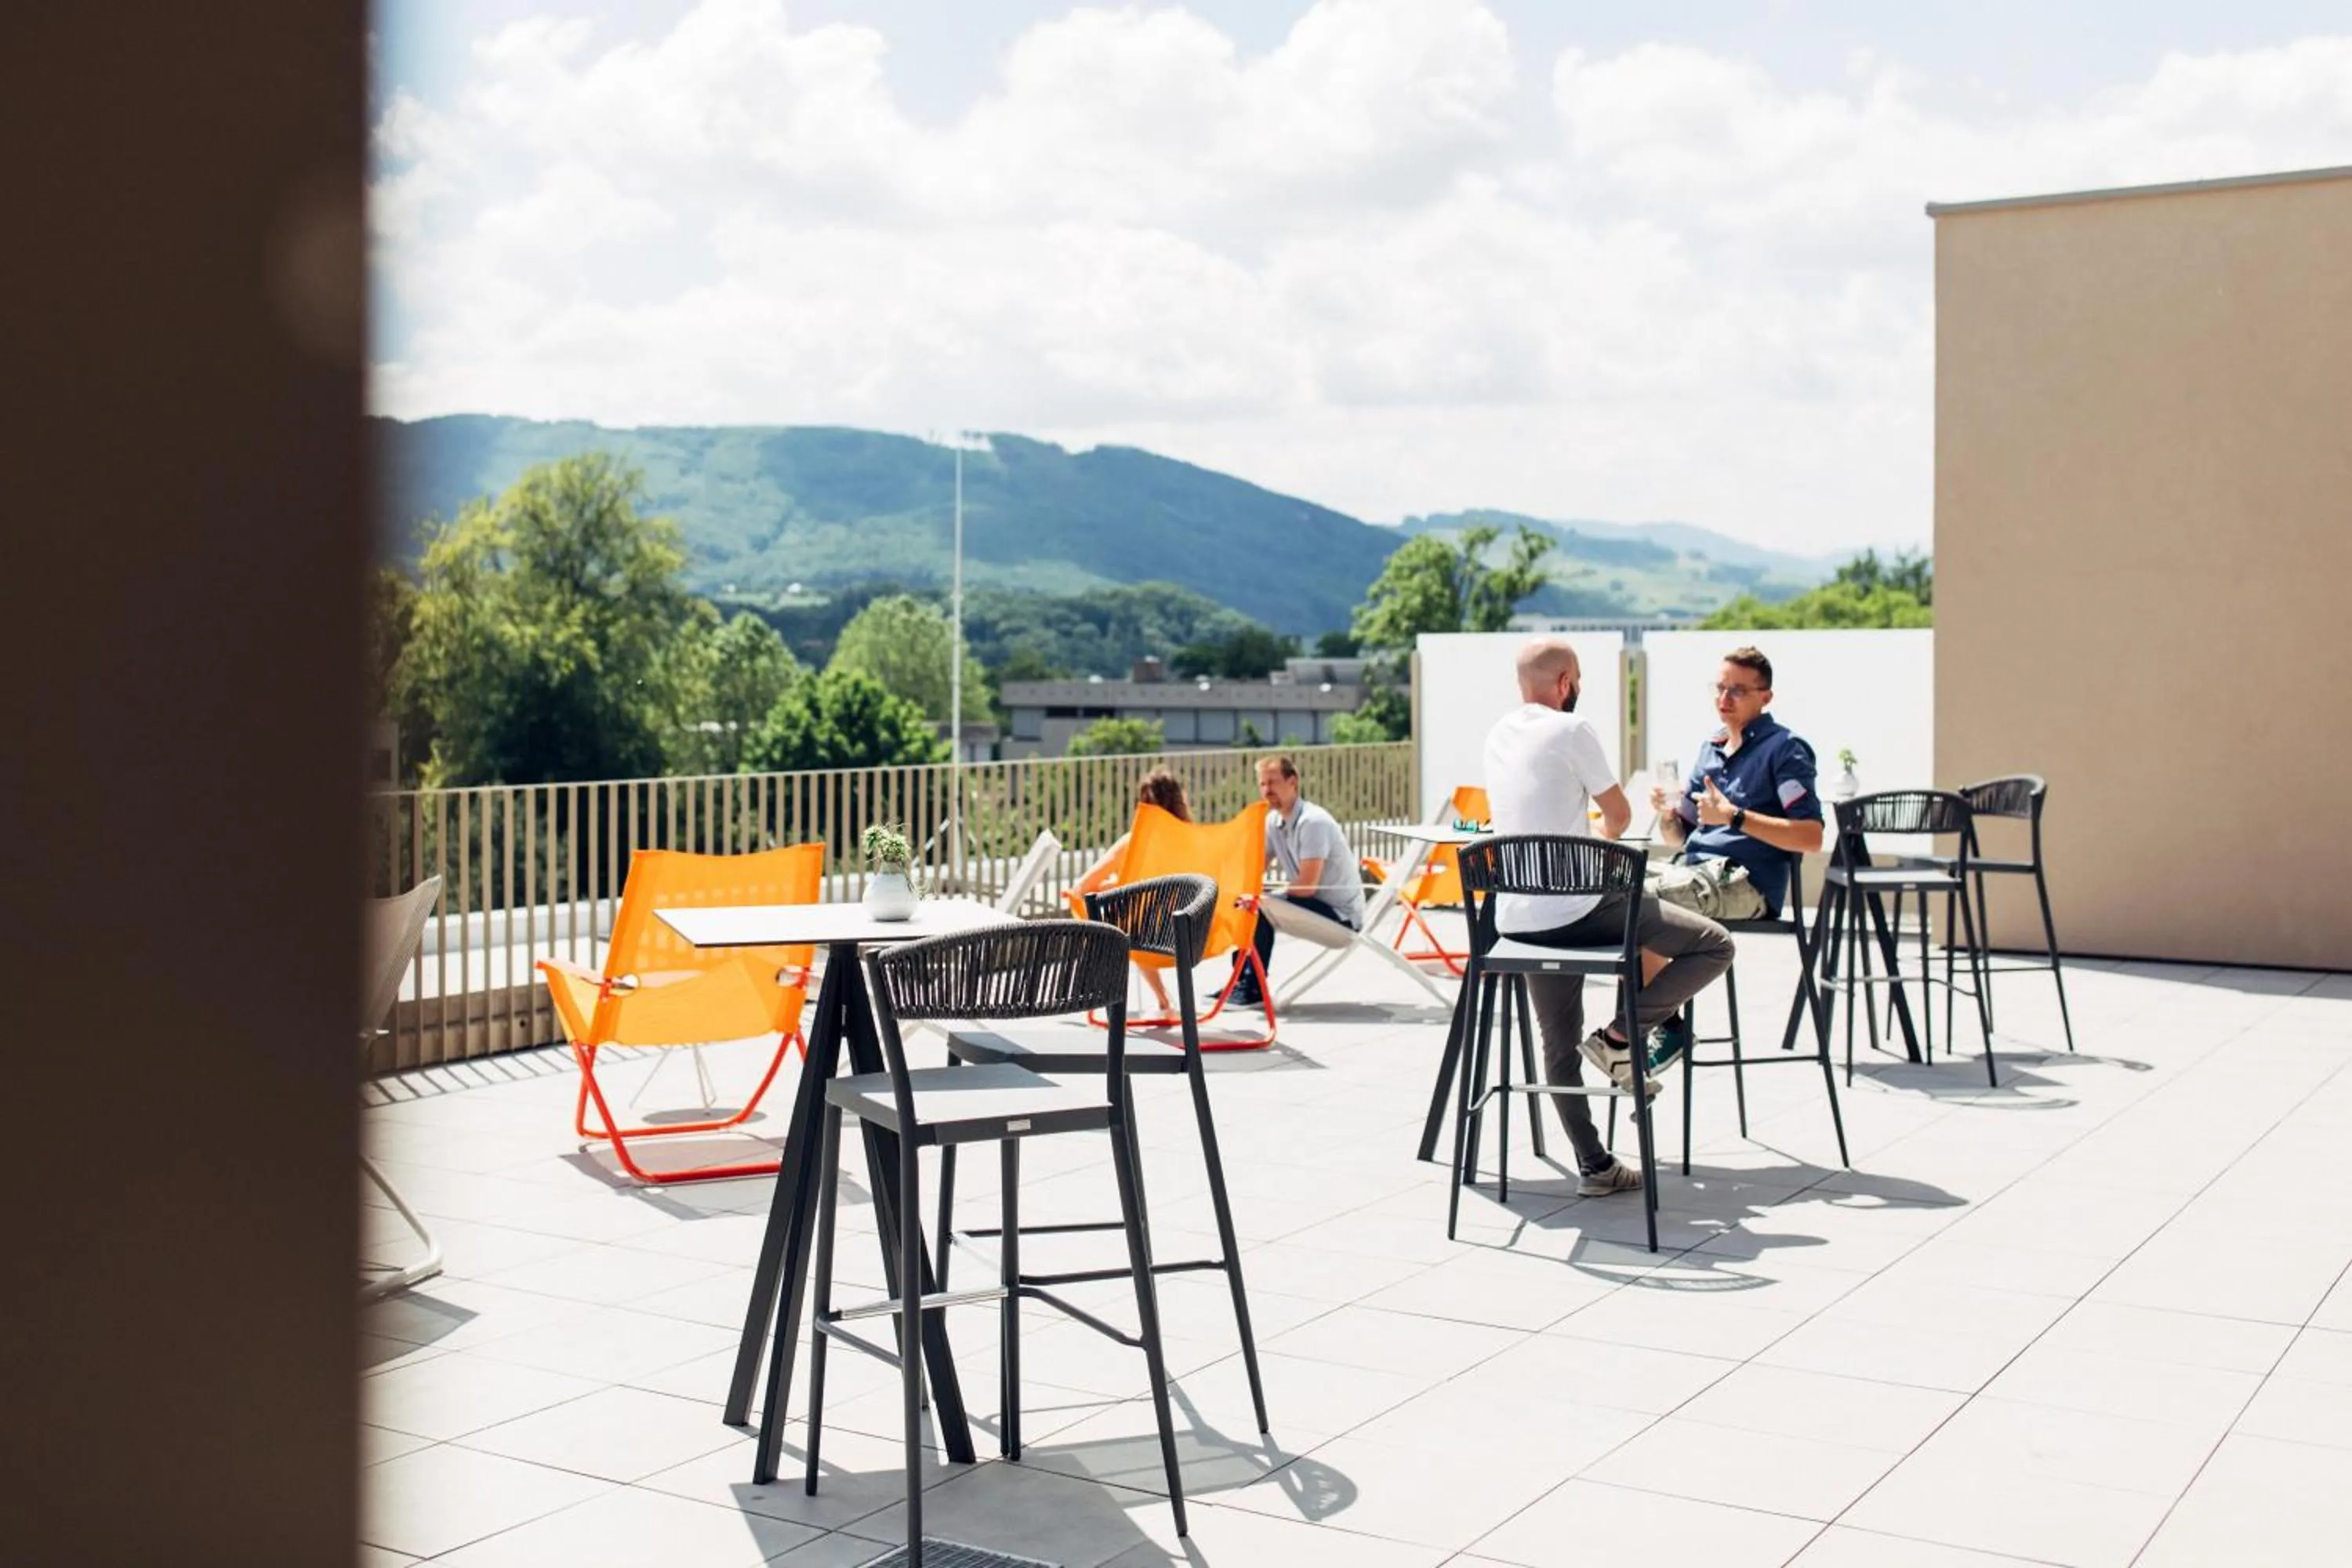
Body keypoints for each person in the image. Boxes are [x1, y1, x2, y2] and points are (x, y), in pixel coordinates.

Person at [1483, 637, 1734, 1197]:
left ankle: (1596, 1167)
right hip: (1580, 910)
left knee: (1557, 1044)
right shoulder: (1574, 730)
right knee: (1715, 944)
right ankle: (1622, 1035)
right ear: (1568, 680)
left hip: (1517, 920)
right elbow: (1618, 818)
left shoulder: (1498, 734)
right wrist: (1590, 843)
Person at [1232, 754, 1363, 1006]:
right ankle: (1240, 981)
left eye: (1273, 782)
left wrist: (1266, 896)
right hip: (1315, 906)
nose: (1267, 790)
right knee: (1244, 900)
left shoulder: (1313, 822)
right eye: (1262, 784)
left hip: (1341, 917)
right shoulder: (1274, 821)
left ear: (1293, 782)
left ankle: (1253, 988)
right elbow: (1255, 868)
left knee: (1258, 904)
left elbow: (1305, 887)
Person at [1084, 769, 1195, 1013]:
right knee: (1141, 916)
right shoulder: (1197, 840)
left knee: (1128, 920)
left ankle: (1161, 997)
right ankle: (1164, 999)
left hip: (1147, 939)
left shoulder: (1132, 843)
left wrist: (1110, 886)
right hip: (1195, 937)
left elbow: (1085, 887)